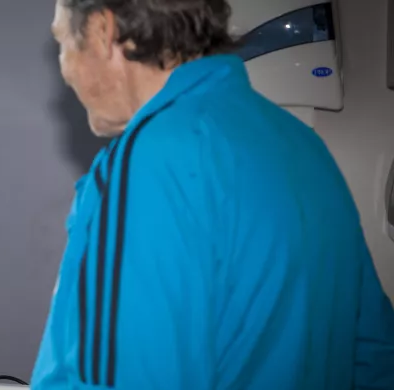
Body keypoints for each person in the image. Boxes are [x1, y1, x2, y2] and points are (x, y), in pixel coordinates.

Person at [33, 0, 394, 389]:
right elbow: (375, 359)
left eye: (63, 42)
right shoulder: (304, 148)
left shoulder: (151, 159)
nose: (65, 70)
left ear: (104, 32)